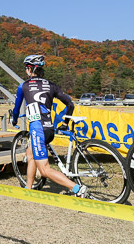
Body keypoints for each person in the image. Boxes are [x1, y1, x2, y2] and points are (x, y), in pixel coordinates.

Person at [11, 54, 86, 197]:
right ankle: (28, 187)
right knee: (30, 154)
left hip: (38, 130)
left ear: (29, 69)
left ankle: (77, 188)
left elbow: (16, 109)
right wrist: (65, 123)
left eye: (26, 68)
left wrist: (14, 120)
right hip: (49, 129)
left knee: (45, 170)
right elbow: (70, 104)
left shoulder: (24, 86)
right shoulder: (51, 85)